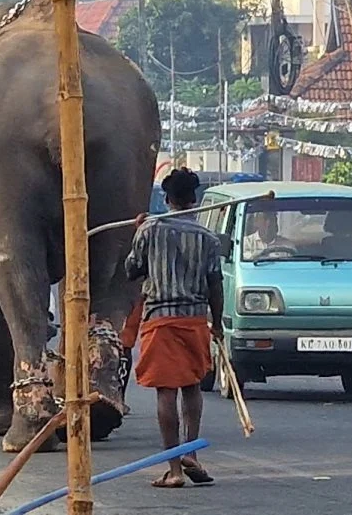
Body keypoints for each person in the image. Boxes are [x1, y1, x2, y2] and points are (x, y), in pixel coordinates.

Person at [125, 167, 223, 489]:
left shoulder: (151, 229)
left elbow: (132, 270)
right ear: (194, 199)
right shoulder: (208, 237)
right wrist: (218, 325)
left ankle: (175, 469)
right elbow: (215, 284)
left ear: (166, 199)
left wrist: (139, 229)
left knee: (166, 391)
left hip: (160, 319)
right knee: (192, 386)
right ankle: (191, 451)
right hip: (195, 320)